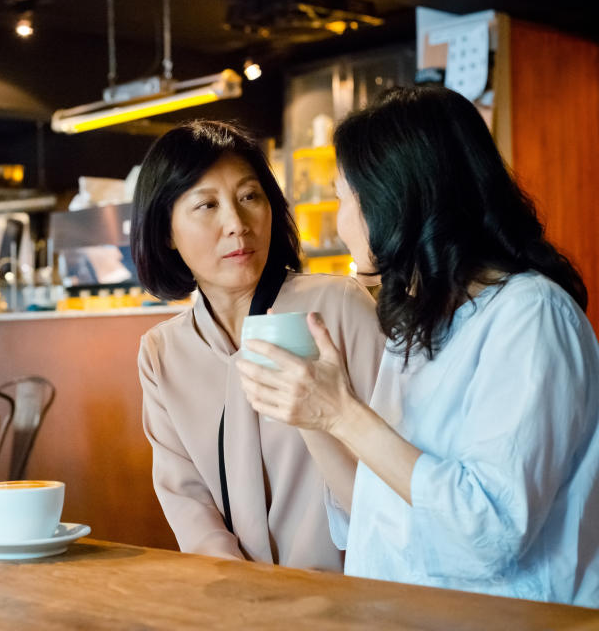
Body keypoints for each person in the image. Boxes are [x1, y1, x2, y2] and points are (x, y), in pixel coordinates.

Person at [236, 86, 599, 606]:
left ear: (394, 199)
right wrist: (311, 415)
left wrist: (343, 414)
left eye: (343, 197)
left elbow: (490, 534)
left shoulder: (531, 314)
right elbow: (371, 508)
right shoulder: (423, 325)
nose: (339, 224)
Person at [132, 120, 384, 569]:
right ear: (166, 231)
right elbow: (187, 499)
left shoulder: (337, 306)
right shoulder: (162, 353)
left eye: (249, 197)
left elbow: (391, 464)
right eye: (206, 205)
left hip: (355, 591)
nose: (236, 224)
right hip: (236, 603)